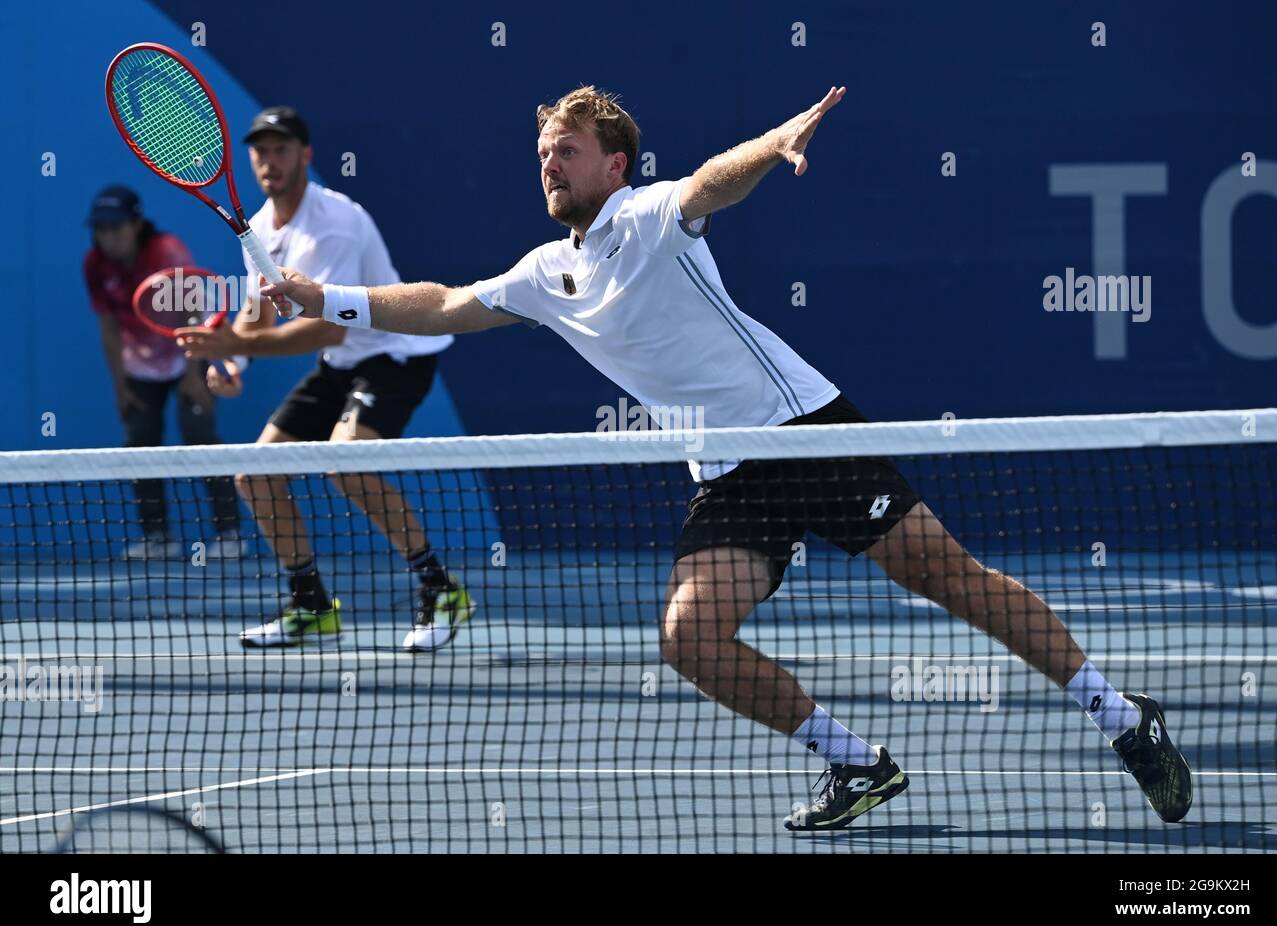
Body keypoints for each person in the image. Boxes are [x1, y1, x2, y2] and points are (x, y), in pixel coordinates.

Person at [254, 87, 1192, 828]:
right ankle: (854, 760)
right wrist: (326, 296)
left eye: (565, 149)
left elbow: (714, 179)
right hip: (725, 473)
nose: (548, 160)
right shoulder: (546, 273)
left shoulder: (653, 214)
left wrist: (778, 138)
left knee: (951, 580)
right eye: (542, 150)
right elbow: (443, 303)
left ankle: (1121, 715)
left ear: (612, 163)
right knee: (689, 640)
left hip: (803, 430)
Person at [178, 107, 473, 652]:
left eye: (281, 148)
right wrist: (235, 363)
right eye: (260, 150)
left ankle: (441, 590)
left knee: (345, 461)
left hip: (394, 354)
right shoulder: (261, 226)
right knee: (255, 474)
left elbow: (326, 333)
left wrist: (234, 345)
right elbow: (257, 314)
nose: (270, 160)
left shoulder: (334, 223)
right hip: (342, 366)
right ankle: (311, 604)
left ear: (305, 155)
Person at [82, 185, 242, 561]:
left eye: (116, 227)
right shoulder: (94, 264)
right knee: (140, 443)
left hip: (188, 353)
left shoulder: (166, 251)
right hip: (139, 365)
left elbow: (192, 314)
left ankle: (230, 532)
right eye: (101, 229)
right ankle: (158, 536)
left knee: (199, 433)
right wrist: (120, 387)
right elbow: (109, 327)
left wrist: (193, 375)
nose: (108, 236)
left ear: (136, 224)